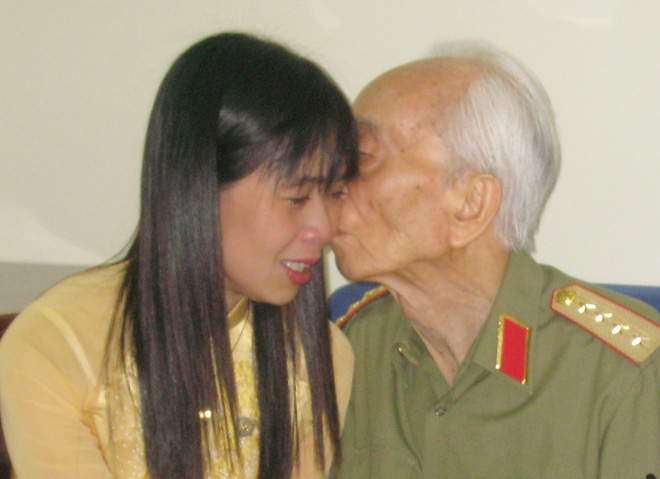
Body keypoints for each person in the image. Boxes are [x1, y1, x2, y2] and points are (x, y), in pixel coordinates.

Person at [0, 32, 358, 479]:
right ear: (199, 186)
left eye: (336, 193)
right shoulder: (57, 345)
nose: (323, 228)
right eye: (297, 197)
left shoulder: (321, 355)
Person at [329, 41, 659, 479]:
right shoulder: (351, 345)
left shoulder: (624, 374)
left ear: (471, 203)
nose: (331, 180)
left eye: (361, 157)